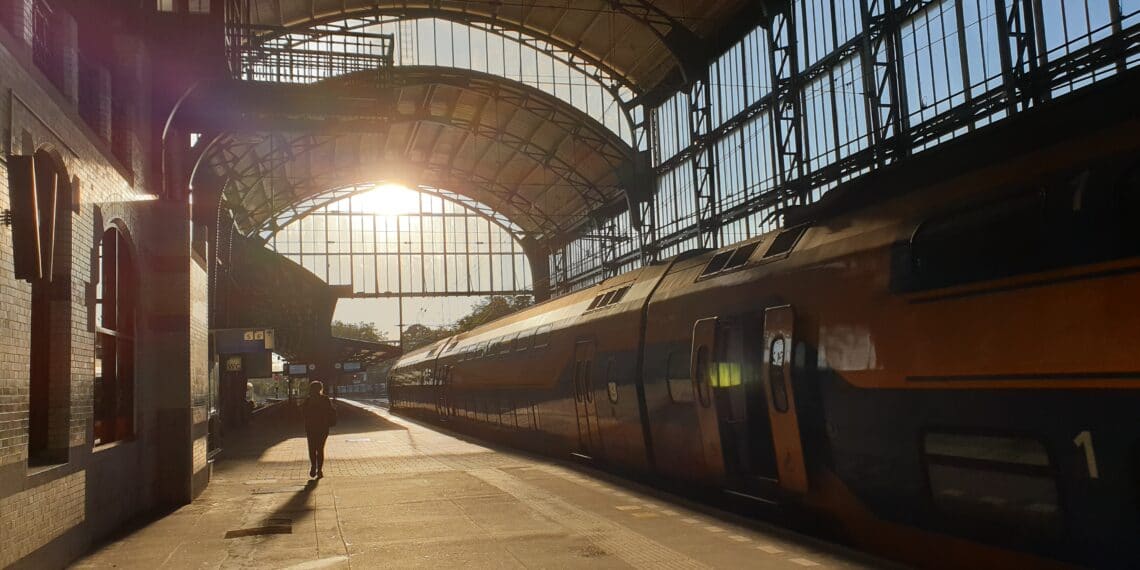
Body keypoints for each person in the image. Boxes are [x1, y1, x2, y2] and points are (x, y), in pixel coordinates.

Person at [302, 380, 336, 478]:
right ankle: (320, 470)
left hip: (311, 427)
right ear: (321, 388)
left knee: (312, 448)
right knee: (320, 449)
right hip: (323, 427)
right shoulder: (325, 399)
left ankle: (313, 466)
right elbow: (330, 411)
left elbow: (303, 413)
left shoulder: (308, 400)